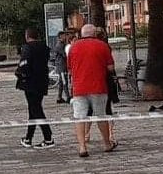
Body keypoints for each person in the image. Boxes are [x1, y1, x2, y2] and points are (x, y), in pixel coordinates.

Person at [64, 23, 118, 157]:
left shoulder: (73, 47)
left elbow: (69, 69)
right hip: (98, 87)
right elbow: (110, 67)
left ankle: (82, 147)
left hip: (79, 88)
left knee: (79, 117)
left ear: (81, 34)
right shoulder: (102, 46)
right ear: (94, 34)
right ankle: (106, 143)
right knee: (101, 115)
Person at [15, 28, 56, 149]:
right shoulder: (44, 47)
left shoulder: (27, 48)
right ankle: (28, 137)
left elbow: (24, 64)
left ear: (27, 36)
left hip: (30, 83)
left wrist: (19, 73)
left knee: (36, 110)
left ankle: (48, 137)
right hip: (42, 82)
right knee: (33, 110)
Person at [52, 28, 71, 104]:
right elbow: (65, 55)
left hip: (62, 65)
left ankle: (59, 97)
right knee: (64, 82)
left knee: (61, 82)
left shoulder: (63, 44)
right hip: (61, 66)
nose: (65, 37)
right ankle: (68, 97)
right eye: (63, 36)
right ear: (60, 37)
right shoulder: (59, 45)